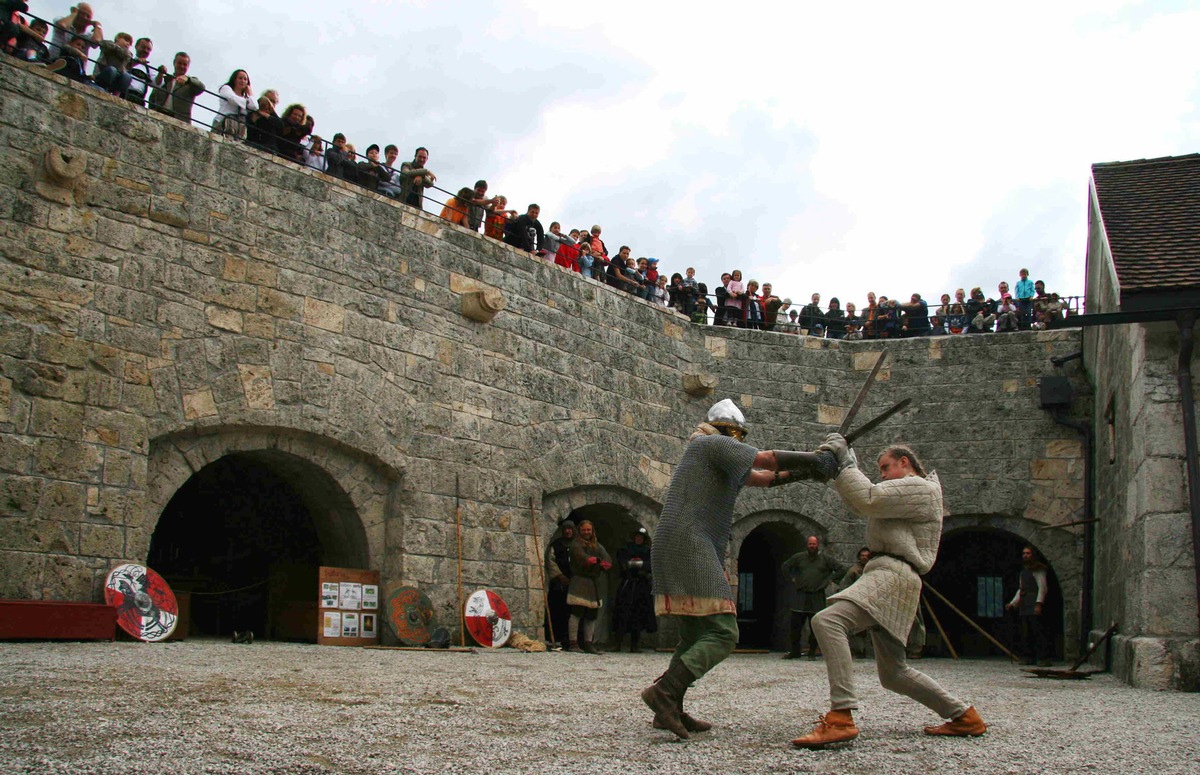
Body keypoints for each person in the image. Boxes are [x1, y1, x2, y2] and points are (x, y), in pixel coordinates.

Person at [642, 398, 837, 739]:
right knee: (723, 633)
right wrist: (817, 458)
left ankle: (670, 708)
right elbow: (768, 458)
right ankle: (665, 693)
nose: (737, 442)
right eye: (735, 436)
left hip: (681, 540)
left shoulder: (709, 451)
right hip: (689, 541)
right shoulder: (708, 443)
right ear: (726, 431)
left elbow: (762, 477)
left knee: (693, 635)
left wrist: (810, 472)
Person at [792, 438, 986, 749]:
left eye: (886, 467)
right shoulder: (909, 493)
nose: (882, 473)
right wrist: (842, 467)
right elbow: (863, 500)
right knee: (894, 673)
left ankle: (841, 717)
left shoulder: (918, 487)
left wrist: (847, 463)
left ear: (905, 463)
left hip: (892, 574)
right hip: (892, 575)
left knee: (827, 622)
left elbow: (867, 497)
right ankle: (964, 716)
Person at [781, 536, 842, 659]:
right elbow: (785, 566)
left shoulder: (825, 559)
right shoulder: (799, 557)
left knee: (815, 626)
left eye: (814, 544)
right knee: (795, 627)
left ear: (818, 545)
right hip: (801, 596)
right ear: (807, 545)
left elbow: (841, 569)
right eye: (810, 544)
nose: (812, 546)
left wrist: (830, 580)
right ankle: (795, 651)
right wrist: (792, 578)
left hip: (817, 596)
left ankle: (812, 652)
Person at [567, 519, 611, 654]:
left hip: (593, 584)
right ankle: (573, 643)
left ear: (592, 531)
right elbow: (584, 559)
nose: (586, 532)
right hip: (579, 581)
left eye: (589, 530)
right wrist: (597, 562)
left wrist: (600, 563)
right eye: (584, 530)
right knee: (577, 613)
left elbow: (607, 561)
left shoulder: (597, 546)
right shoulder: (576, 545)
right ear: (580, 531)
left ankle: (588, 643)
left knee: (591, 615)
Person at [612, 527, 656, 653]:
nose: (638, 539)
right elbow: (622, 563)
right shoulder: (626, 549)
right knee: (621, 613)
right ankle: (617, 643)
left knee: (638, 615)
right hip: (628, 584)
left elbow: (650, 565)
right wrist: (630, 564)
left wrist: (640, 565)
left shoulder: (648, 551)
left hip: (641, 587)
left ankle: (634, 645)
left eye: (641, 537)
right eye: (637, 537)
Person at [1006, 545, 1050, 666]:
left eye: (1028, 553)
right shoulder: (1023, 572)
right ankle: (1027, 656)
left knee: (1038, 631)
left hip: (1034, 602)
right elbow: (1021, 590)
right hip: (1025, 605)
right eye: (1024, 553)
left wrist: (1039, 603)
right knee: (1026, 633)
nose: (1025, 555)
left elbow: (1043, 587)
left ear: (1033, 555)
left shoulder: (1039, 569)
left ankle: (1043, 657)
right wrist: (1013, 603)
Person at [543, 517, 576, 651]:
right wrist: (560, 576)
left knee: (572, 613)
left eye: (570, 529)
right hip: (559, 584)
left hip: (575, 584)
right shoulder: (556, 545)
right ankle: (553, 639)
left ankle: (570, 640)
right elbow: (550, 561)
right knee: (557, 610)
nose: (568, 531)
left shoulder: (578, 545)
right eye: (566, 529)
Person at [149, 51, 205, 124]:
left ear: (188, 66)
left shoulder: (190, 83)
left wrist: (188, 80)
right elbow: (152, 97)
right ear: (174, 63)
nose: (182, 66)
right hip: (159, 116)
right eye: (179, 63)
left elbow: (201, 88)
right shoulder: (165, 80)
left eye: (185, 64)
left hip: (179, 121)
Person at [213, 69, 254, 139]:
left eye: (245, 79)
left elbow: (254, 106)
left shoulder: (246, 97)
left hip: (239, 128)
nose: (243, 81)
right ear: (234, 80)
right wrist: (247, 102)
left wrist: (250, 94)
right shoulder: (226, 88)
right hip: (223, 124)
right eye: (240, 78)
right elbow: (232, 99)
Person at [91, 31, 133, 97]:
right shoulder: (109, 43)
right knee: (112, 70)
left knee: (127, 76)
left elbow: (127, 55)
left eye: (130, 43)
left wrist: (116, 49)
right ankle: (103, 88)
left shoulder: (127, 54)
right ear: (118, 38)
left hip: (117, 77)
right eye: (126, 40)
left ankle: (116, 93)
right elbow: (104, 44)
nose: (128, 44)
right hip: (102, 73)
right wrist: (118, 48)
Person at [124, 36, 151, 106]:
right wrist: (136, 62)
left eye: (148, 49)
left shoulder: (149, 69)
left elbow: (157, 83)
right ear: (136, 46)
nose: (145, 50)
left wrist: (161, 72)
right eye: (143, 47)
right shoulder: (127, 59)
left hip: (139, 100)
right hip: (124, 95)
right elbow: (122, 68)